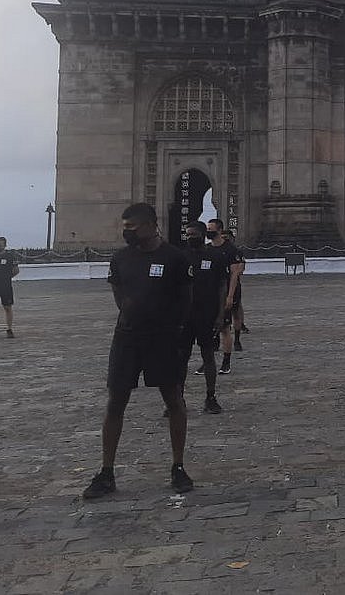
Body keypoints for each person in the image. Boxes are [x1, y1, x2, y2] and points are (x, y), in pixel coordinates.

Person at [83, 203, 195, 499]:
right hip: (127, 338)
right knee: (115, 402)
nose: (126, 231)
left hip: (163, 339)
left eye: (131, 226)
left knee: (174, 400)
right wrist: (131, 314)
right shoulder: (121, 258)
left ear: (150, 224)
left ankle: (178, 467)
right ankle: (106, 472)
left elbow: (186, 300)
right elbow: (118, 293)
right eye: (125, 226)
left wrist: (174, 330)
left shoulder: (175, 258)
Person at [180, 221, 225, 414]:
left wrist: (221, 314)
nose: (190, 237)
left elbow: (222, 286)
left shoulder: (214, 255)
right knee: (181, 358)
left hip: (207, 314)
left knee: (208, 356)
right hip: (184, 316)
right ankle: (177, 399)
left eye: (194, 234)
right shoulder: (180, 257)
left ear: (203, 234)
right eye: (187, 234)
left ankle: (210, 396)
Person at [206, 219, 245, 375]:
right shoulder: (206, 249)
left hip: (226, 292)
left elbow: (235, 274)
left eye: (211, 229)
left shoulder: (231, 250)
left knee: (224, 327)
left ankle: (226, 360)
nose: (208, 231)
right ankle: (208, 361)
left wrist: (230, 296)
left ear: (219, 230)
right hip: (210, 293)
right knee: (208, 328)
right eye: (207, 228)